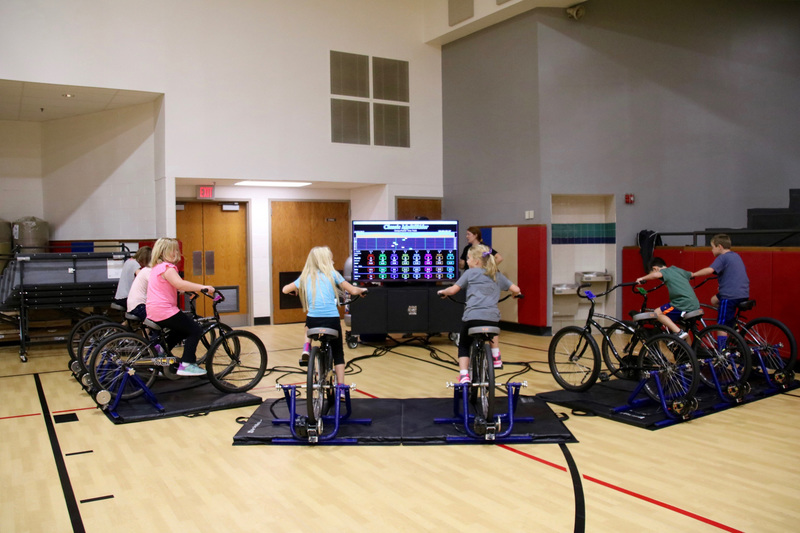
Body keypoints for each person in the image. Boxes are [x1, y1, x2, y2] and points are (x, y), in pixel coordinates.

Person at [281, 246, 367, 383]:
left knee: (307, 327)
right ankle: (341, 387)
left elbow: (285, 289)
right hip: (332, 321)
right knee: (338, 352)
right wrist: (362, 289)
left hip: (314, 320)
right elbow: (353, 290)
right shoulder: (333, 275)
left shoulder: (305, 276)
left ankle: (306, 348)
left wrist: (294, 291)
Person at [438, 244, 521, 382]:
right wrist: (515, 294)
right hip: (492, 319)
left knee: (464, 344)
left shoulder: (469, 273)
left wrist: (443, 292)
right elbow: (516, 289)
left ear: (476, 261)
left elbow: (452, 290)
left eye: (468, 259)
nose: (467, 262)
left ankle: (464, 375)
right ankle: (496, 357)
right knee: (491, 331)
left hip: (472, 318)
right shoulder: (496, 274)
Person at [146, 237, 215, 377]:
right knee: (195, 329)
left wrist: (192, 290)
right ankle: (187, 364)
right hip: (165, 310)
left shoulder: (156, 268)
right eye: (173, 250)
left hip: (153, 311)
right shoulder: (168, 268)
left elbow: (172, 286)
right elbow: (179, 284)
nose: (176, 253)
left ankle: (160, 352)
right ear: (163, 252)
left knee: (183, 329)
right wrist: (203, 287)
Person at [459, 226, 505, 363]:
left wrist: (488, 269)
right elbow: (462, 265)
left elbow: (499, 258)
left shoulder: (484, 249)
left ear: (475, 235)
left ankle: (494, 353)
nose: (466, 236)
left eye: (468, 234)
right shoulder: (467, 249)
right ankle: (495, 356)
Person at [691, 234, 750, 328]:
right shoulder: (736, 255)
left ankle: (721, 342)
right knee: (714, 300)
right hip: (743, 293)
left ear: (719, 247)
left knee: (721, 325)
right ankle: (732, 325)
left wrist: (693, 274)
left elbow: (710, 270)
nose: (711, 250)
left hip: (730, 296)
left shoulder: (723, 257)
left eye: (713, 247)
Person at [636, 257, 699, 339]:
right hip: (694, 303)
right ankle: (688, 349)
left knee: (657, 313)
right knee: (684, 329)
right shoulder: (676, 270)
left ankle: (678, 332)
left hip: (682, 303)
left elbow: (656, 274)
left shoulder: (664, 271)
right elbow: (691, 274)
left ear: (655, 268)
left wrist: (642, 278)